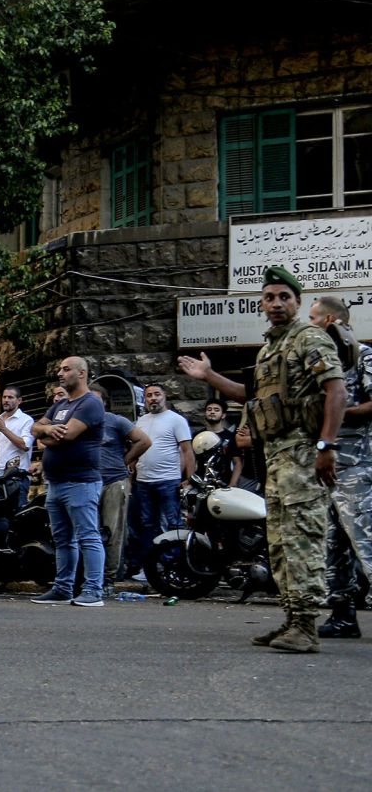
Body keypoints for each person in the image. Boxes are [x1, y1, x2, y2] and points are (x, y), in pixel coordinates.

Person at [178, 266, 346, 652]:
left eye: (284, 297)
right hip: (276, 459)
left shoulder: (310, 339)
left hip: (303, 454)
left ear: (298, 303)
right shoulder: (270, 349)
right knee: (281, 543)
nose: (276, 304)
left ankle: (306, 626)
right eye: (270, 297)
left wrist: (326, 446)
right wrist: (208, 375)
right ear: (261, 303)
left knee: (302, 540)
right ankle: (291, 619)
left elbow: (336, 392)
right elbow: (248, 396)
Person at [308, 296, 372, 639]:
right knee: (333, 547)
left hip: (359, 468)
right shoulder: (322, 363)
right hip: (326, 471)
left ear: (331, 320)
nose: (309, 322)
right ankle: (343, 615)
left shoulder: (364, 356)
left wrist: (335, 413)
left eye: (314, 317)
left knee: (367, 542)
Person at [30, 356, 107, 606]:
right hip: (56, 482)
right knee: (63, 540)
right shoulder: (61, 404)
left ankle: (94, 591)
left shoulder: (91, 404)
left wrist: (47, 433)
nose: (60, 373)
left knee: (88, 536)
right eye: (59, 369)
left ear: (81, 373)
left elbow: (68, 435)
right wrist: (48, 430)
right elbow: (34, 428)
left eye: (66, 369)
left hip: (81, 482)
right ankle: (63, 588)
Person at [89, 383, 150, 593]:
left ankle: (109, 578)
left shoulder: (116, 421)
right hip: (88, 481)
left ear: (104, 402)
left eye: (97, 400)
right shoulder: (81, 423)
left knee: (113, 531)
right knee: (90, 532)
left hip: (114, 481)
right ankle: (91, 576)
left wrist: (126, 460)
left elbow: (144, 441)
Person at [130, 384, 194, 576]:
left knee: (173, 525)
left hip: (168, 480)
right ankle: (149, 568)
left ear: (164, 396)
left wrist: (190, 479)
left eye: (157, 394)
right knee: (147, 525)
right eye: (149, 395)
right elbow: (136, 446)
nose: (153, 398)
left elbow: (187, 451)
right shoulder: (140, 421)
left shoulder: (176, 420)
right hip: (143, 481)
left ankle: (174, 566)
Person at [0, 385, 34, 506]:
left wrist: (4, 429)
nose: (6, 400)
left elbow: (25, 445)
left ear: (19, 400)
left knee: (16, 517)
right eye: (4, 397)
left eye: (10, 397)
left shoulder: (27, 420)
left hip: (17, 478)